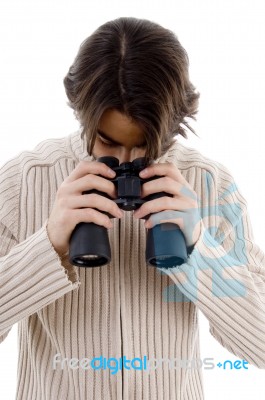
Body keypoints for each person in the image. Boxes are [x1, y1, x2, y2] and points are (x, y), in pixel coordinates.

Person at [0, 16, 264, 400]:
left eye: (144, 146)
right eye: (106, 141)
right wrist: (47, 245)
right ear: (82, 113)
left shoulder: (209, 184)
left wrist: (198, 249)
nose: (126, 161)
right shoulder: (24, 181)